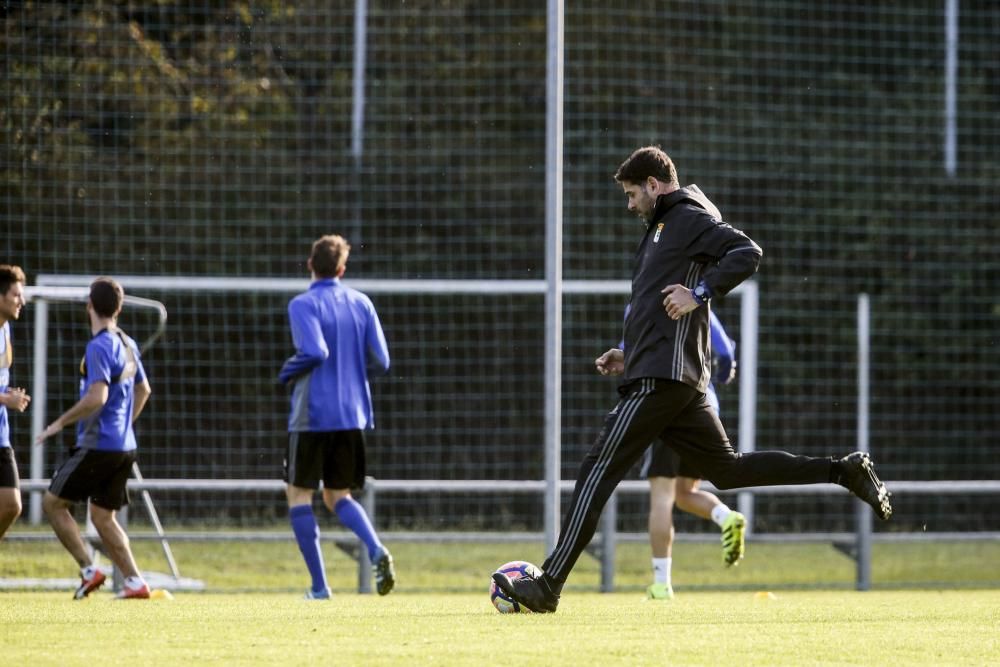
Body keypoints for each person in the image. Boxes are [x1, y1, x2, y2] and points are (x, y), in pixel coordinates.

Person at [493, 145, 892, 613]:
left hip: (662, 379)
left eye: (631, 194)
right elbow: (660, 308)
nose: (629, 204)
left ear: (655, 185)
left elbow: (747, 251)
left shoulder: (683, 217)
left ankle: (550, 583)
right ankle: (842, 470)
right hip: (667, 373)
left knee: (596, 469)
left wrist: (699, 292)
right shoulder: (664, 228)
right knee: (728, 470)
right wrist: (629, 353)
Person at [279, 234, 395, 599]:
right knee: (337, 496)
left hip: (312, 415)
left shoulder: (302, 304)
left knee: (299, 496)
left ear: (310, 264)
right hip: (353, 415)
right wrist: (354, 378)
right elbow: (382, 361)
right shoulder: (361, 303)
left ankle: (319, 587)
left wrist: (287, 371)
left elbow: (315, 351)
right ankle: (376, 548)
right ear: (342, 269)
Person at [604, 310, 744, 600]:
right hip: (704, 407)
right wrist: (718, 378)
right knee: (684, 492)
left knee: (662, 496)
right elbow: (726, 352)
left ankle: (661, 584)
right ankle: (726, 516)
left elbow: (632, 351)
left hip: (667, 406)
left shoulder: (643, 300)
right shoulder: (697, 298)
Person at [36, 277, 153, 599]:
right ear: (119, 307)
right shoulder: (127, 342)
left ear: (90, 305)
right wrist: (125, 425)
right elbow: (144, 389)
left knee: (53, 503)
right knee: (103, 516)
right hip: (124, 445)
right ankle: (135, 581)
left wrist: (58, 423)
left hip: (99, 445)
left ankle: (90, 569)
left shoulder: (99, 345)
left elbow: (97, 398)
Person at [0, 265, 31, 540]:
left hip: (1, 435)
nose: (21, 300)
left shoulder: (6, 329)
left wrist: (8, 393)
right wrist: (5, 398)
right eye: (16, 294)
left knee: (12, 505)